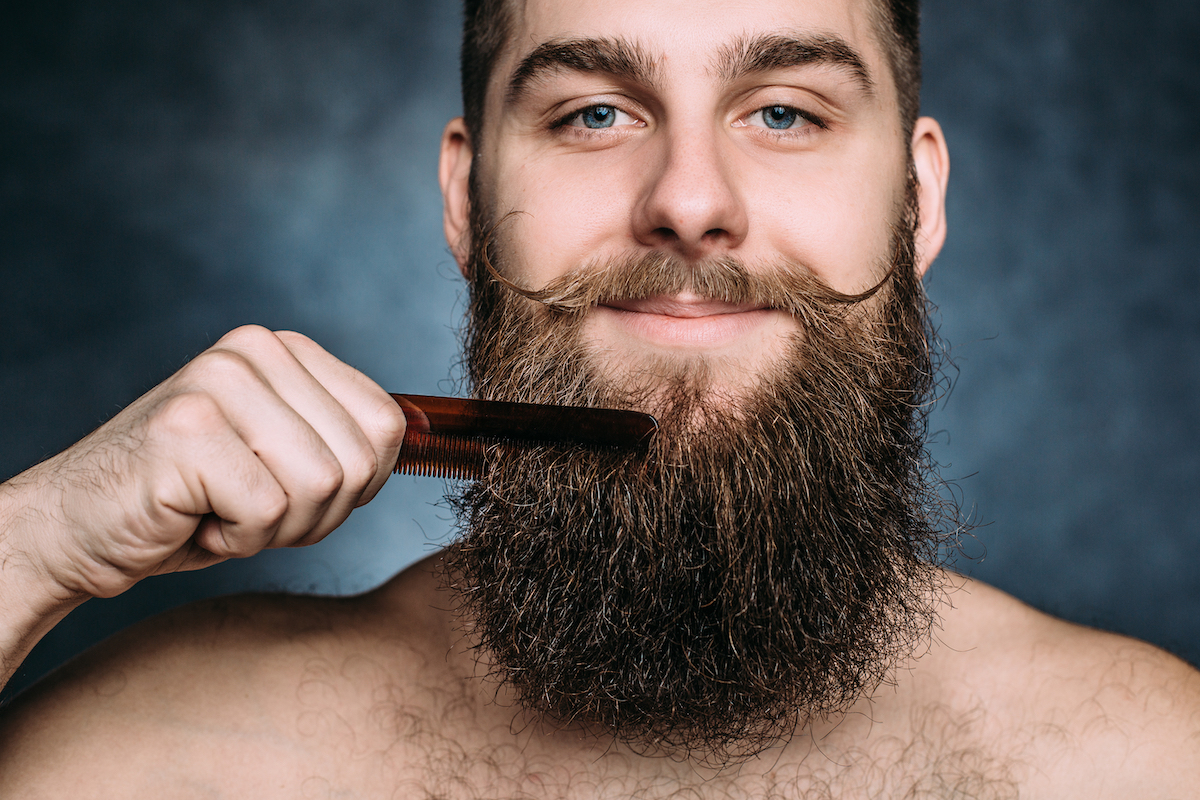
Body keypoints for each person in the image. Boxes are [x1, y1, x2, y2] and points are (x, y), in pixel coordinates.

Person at [1, 0, 1197, 794]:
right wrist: (37, 537)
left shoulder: (1149, 762)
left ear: (918, 202)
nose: (688, 197)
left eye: (785, 111)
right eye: (594, 113)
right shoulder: (169, 758)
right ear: (469, 205)